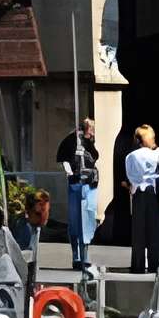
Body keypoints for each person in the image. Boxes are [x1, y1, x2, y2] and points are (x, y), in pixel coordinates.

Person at [124, 123, 159, 272]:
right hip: (152, 192)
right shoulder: (157, 155)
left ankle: (137, 264)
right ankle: (154, 264)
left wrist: (135, 183)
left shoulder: (130, 156)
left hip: (137, 192)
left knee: (138, 231)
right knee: (154, 230)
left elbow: (129, 175)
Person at [57, 116, 101, 272]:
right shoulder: (71, 140)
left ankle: (85, 254)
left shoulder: (90, 143)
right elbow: (64, 159)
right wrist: (69, 173)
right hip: (76, 183)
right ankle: (76, 255)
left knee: (88, 218)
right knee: (75, 220)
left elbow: (94, 157)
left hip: (89, 184)